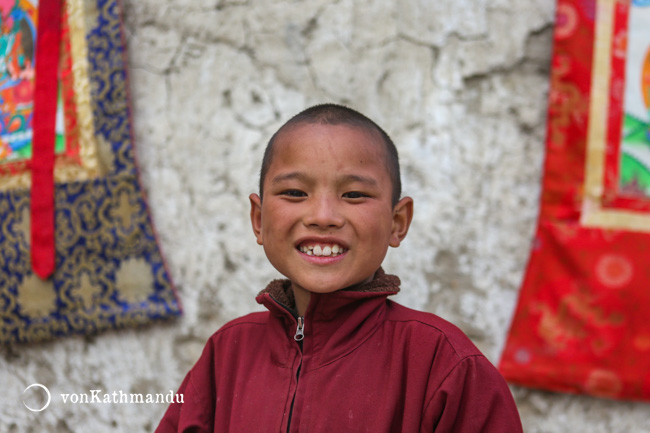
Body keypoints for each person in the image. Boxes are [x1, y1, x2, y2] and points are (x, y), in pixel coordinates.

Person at [155, 104, 523, 432]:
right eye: (296, 193)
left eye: (354, 195)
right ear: (258, 219)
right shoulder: (227, 354)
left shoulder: (443, 364)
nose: (323, 217)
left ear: (398, 222)